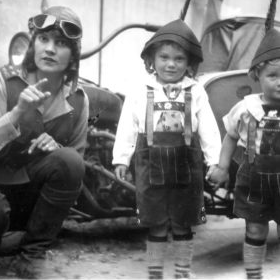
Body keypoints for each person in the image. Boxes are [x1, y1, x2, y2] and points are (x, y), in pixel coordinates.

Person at [0, 6, 88, 278]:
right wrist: (16, 113)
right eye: (44, 39)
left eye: (61, 43)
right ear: (33, 44)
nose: (50, 49)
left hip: (28, 193)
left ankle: (31, 256)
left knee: (69, 161)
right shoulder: (1, 81)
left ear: (73, 54)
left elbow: (75, 168)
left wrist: (56, 148)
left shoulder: (79, 99)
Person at [112, 19, 221, 279]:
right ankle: (155, 274)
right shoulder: (140, 89)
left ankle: (183, 273)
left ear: (189, 63)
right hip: (150, 163)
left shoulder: (196, 91)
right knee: (156, 222)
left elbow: (207, 127)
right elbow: (127, 125)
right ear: (151, 59)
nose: (171, 64)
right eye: (164, 57)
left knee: (183, 221)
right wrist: (121, 159)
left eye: (179, 59)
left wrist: (215, 160)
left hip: (187, 163)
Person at [209, 27, 280, 279]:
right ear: (257, 75)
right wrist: (221, 166)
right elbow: (230, 136)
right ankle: (254, 275)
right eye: (273, 75)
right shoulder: (246, 107)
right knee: (256, 230)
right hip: (254, 180)